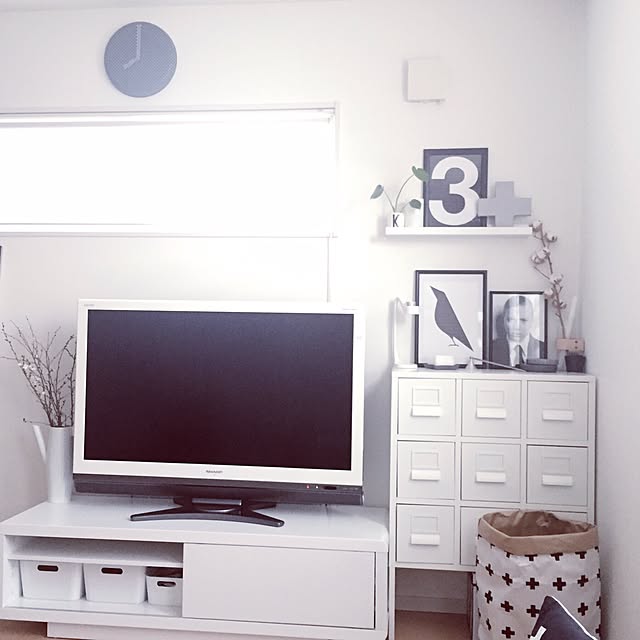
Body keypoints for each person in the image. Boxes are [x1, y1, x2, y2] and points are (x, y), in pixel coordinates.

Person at [491, 295, 544, 367]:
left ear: (532, 320)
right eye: (511, 320)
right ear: (504, 320)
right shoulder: (490, 348)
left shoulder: (543, 349)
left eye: (523, 320)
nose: (517, 326)